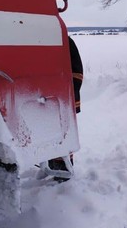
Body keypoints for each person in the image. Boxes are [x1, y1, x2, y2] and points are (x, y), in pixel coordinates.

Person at [44, 36, 83, 181]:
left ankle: (64, 172)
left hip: (65, 97)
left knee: (64, 134)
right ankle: (52, 165)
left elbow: (77, 72)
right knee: (49, 133)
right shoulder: (39, 40)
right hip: (46, 98)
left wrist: (67, 93)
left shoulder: (65, 41)